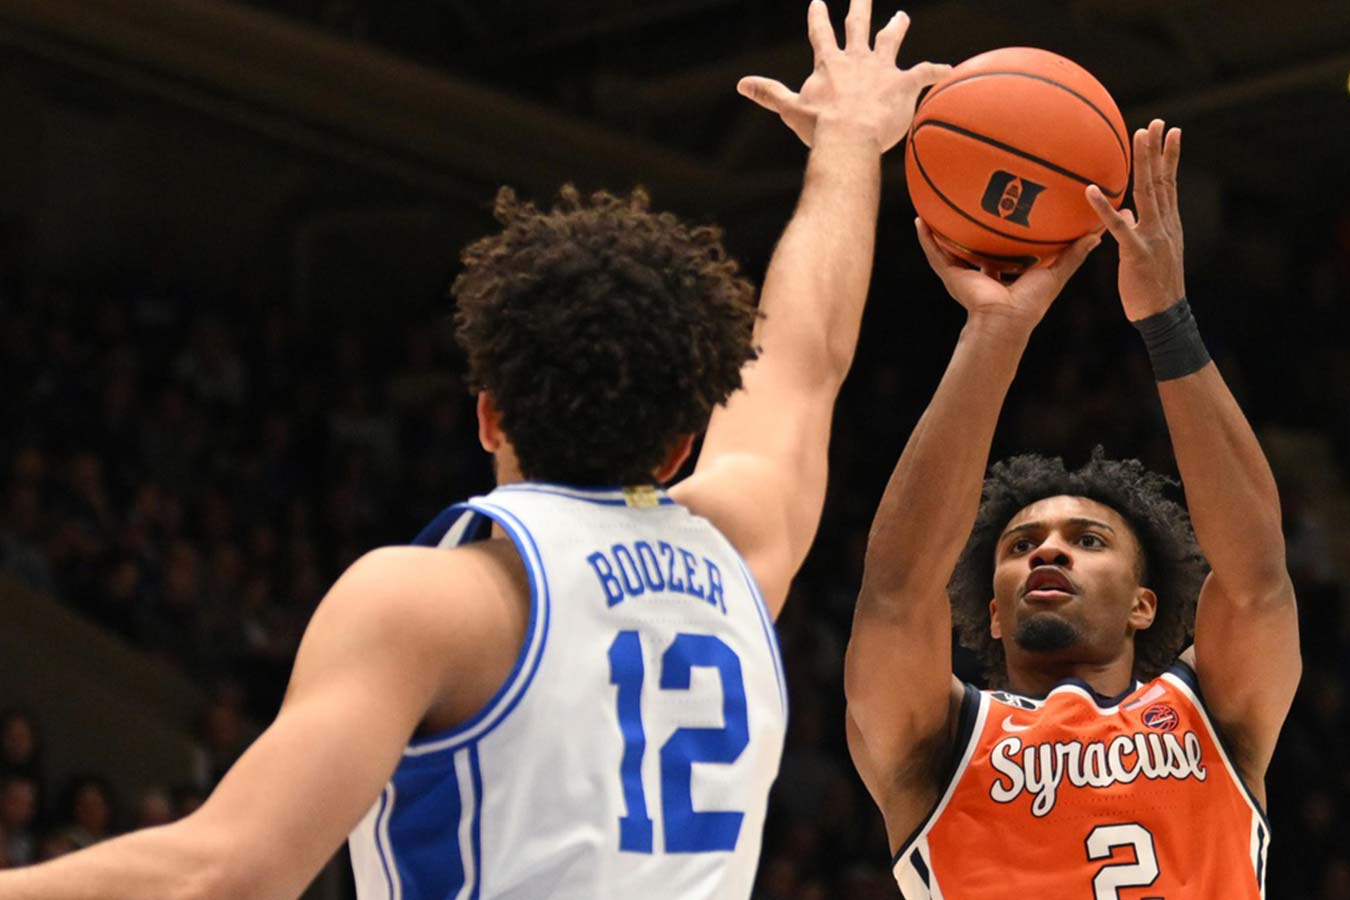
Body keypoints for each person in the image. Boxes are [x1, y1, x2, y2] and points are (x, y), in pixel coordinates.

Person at [0, 2, 947, 897]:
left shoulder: (435, 603)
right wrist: (852, 144)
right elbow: (807, 353)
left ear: (489, 413)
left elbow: (227, 873)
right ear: (678, 444)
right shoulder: (742, 552)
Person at [844, 120, 1300, 898]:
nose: (1047, 553)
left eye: (1087, 540)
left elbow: (1255, 573)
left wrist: (1168, 322)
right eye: (1020, 546)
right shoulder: (939, 741)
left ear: (1144, 603)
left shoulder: (1214, 714)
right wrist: (994, 332)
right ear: (990, 611)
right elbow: (894, 595)